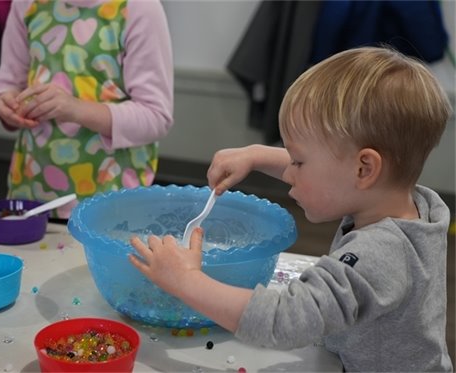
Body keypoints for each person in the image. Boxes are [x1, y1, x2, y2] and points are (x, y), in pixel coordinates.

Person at [129, 47, 453, 372]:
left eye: (297, 161)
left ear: (364, 169)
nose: (288, 172)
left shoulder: (380, 254)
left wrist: (185, 279)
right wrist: (257, 155)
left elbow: (283, 321)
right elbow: (335, 169)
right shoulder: (408, 203)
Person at [0, 0, 173, 219]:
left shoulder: (139, 9)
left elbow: (156, 117)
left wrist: (75, 109)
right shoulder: (27, 4)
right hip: (33, 189)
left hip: (112, 199)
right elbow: (7, 85)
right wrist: (5, 104)